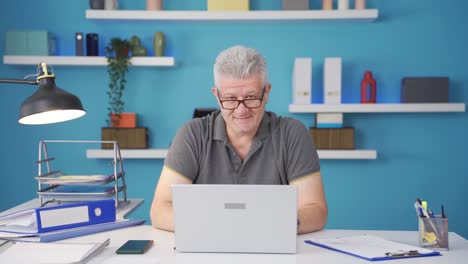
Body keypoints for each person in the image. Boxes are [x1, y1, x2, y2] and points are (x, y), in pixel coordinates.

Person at [150, 45, 327, 234]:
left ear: (266, 93)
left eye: (251, 97)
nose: (241, 110)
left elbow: (315, 209)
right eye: (231, 99)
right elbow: (160, 209)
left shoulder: (292, 133)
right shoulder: (192, 134)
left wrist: (265, 227)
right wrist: (218, 228)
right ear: (216, 96)